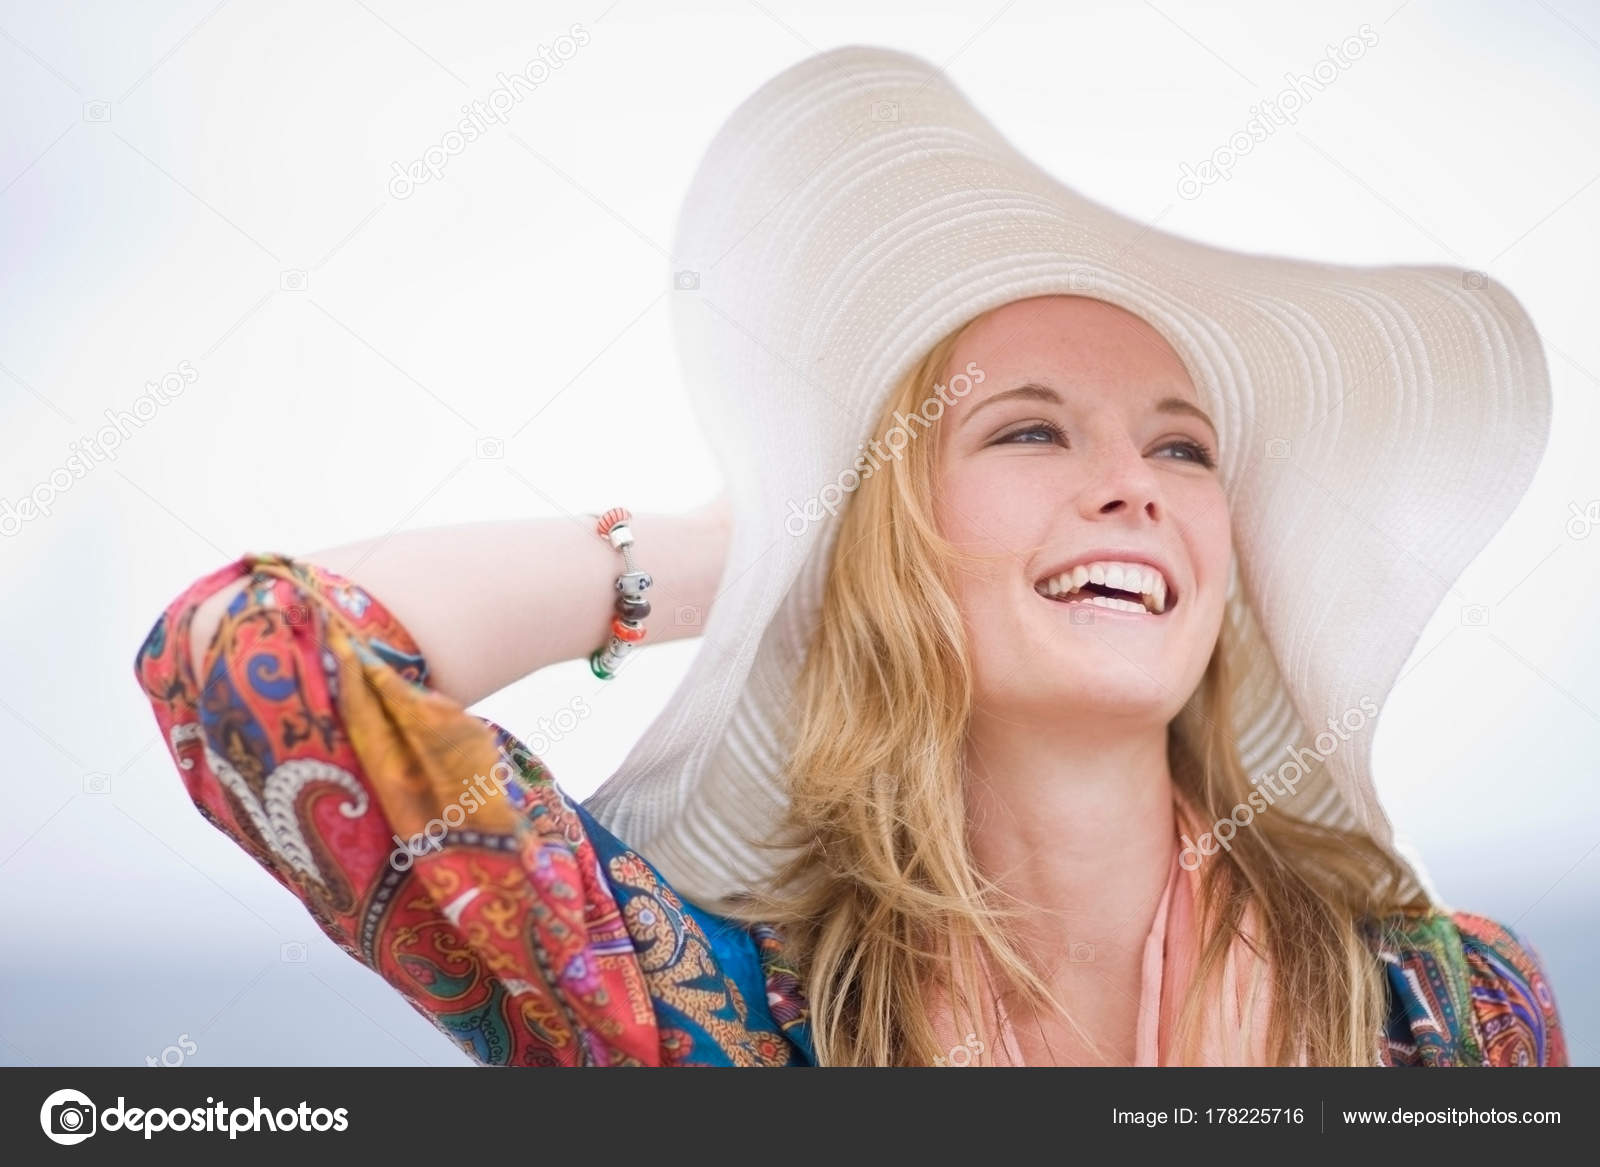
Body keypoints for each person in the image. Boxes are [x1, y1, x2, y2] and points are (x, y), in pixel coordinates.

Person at [134, 46, 1566, 1067]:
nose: (1133, 486)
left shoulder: (1455, 1019)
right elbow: (246, 658)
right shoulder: (718, 1020)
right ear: (891, 543)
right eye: (1030, 432)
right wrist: (737, 555)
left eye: (1184, 449)